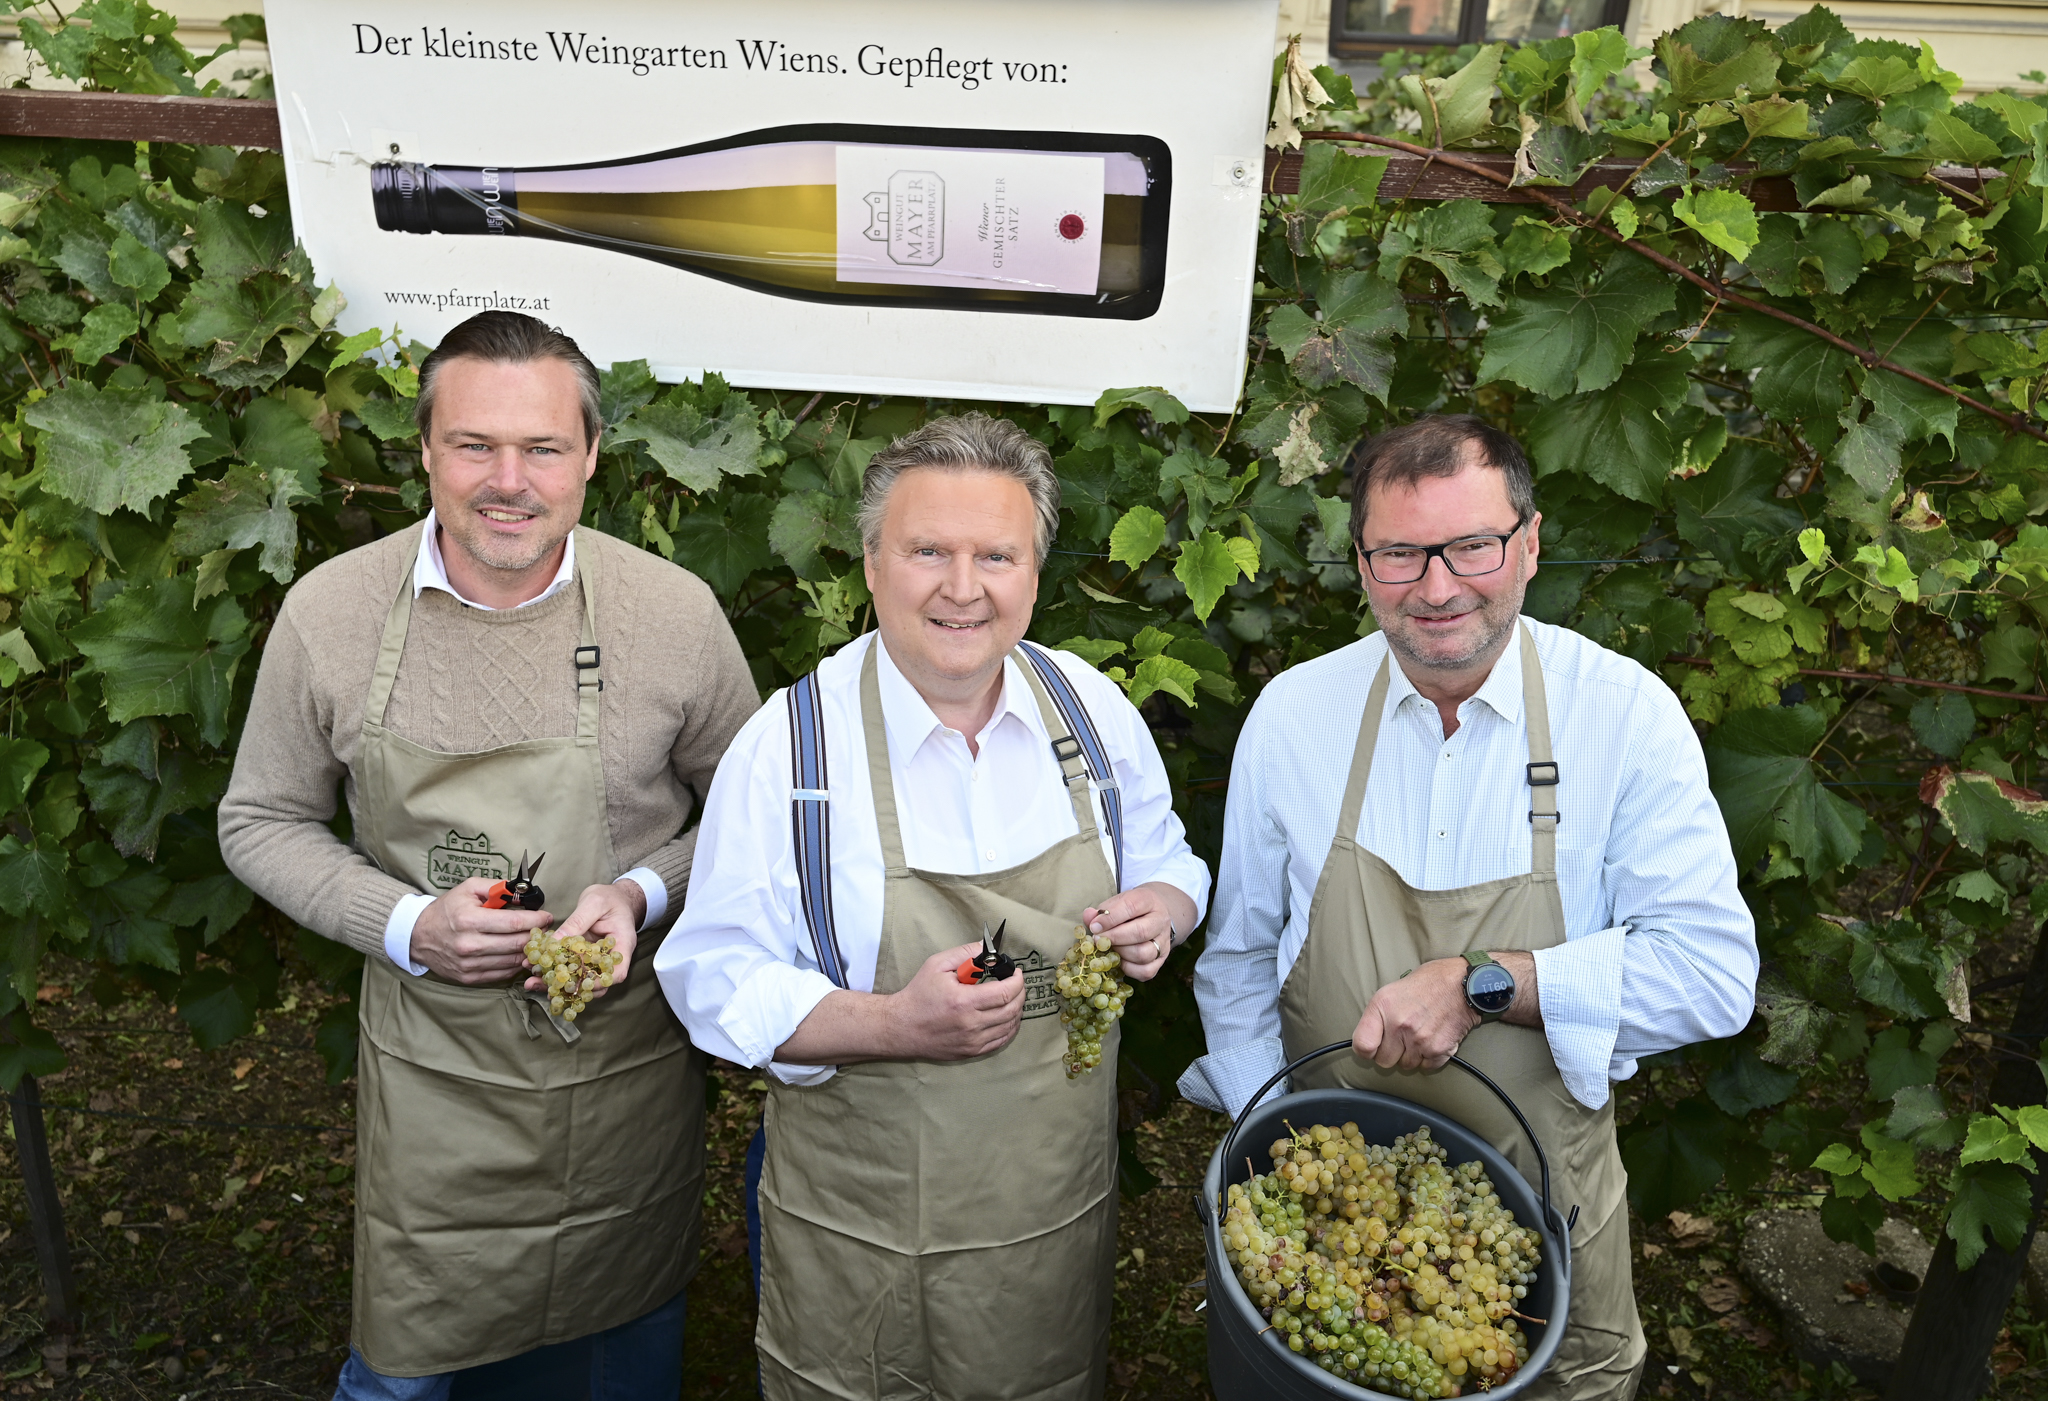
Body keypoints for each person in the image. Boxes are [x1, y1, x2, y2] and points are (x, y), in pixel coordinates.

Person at [218, 311, 760, 1400]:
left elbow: (749, 820)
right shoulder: (330, 614)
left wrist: (638, 890)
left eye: (543, 448)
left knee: (613, 1356)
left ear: (591, 458)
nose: (506, 480)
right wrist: (407, 925)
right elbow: (259, 819)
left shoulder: (672, 614)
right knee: (409, 1367)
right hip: (436, 1091)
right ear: (423, 450)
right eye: (473, 445)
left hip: (618, 1081)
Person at [1181, 414, 1757, 1400]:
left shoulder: (1620, 716)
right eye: (1399, 554)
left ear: (1528, 545)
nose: (1436, 587)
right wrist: (1270, 1142)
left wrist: (1488, 985)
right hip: (1329, 1199)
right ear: (1361, 563)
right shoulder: (1294, 715)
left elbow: (1713, 979)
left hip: (1539, 1192)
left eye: (1471, 547)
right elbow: (1238, 959)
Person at [656, 413, 1211, 1401]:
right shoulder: (792, 752)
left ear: (1033, 575)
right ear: (871, 566)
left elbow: (1168, 859)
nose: (963, 588)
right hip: (860, 1244)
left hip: (1047, 1227)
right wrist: (889, 1022)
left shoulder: (1087, 715)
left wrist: (1162, 909)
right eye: (926, 552)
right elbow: (714, 978)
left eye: (995, 554)